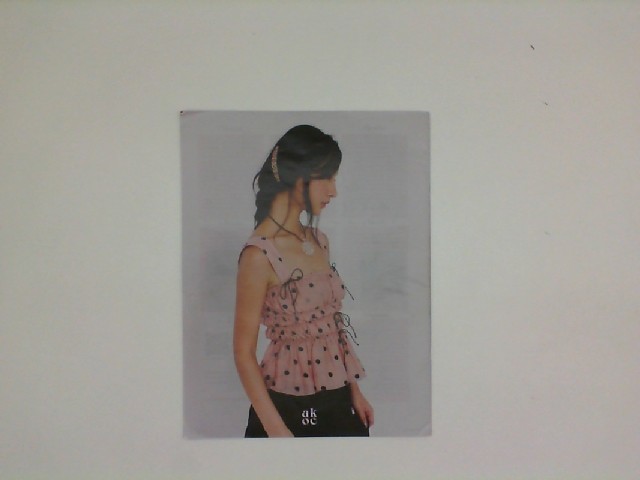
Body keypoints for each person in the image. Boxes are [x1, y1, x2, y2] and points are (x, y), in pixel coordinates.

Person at [233, 124, 374, 437]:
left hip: (338, 398)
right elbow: (243, 353)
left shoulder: (319, 240)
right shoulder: (258, 255)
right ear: (295, 174)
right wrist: (277, 430)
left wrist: (355, 391)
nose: (333, 191)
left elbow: (330, 325)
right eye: (327, 178)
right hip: (286, 405)